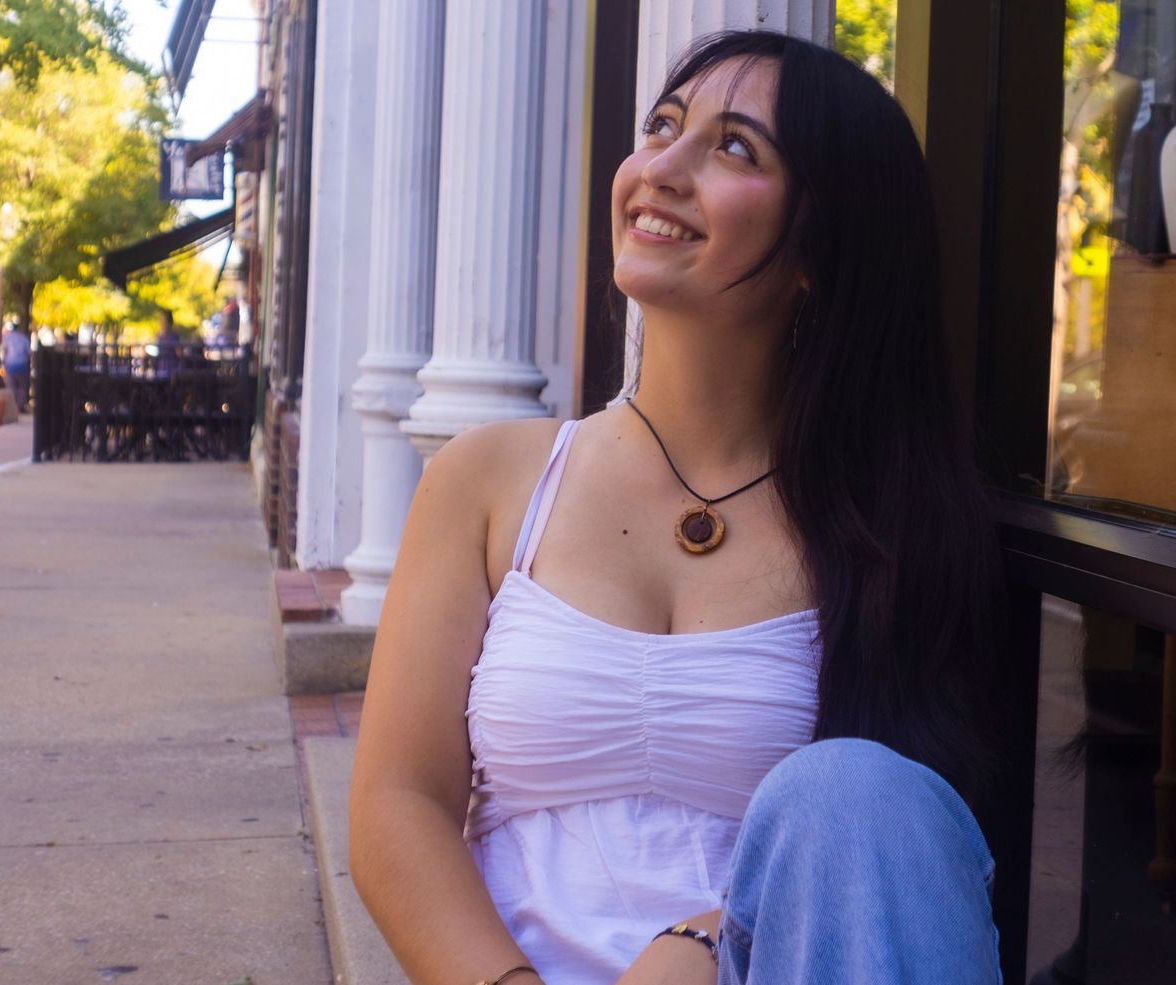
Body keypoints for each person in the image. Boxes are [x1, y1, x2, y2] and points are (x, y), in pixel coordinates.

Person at [349, 30, 1010, 985]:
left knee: (857, 790)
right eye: (663, 126)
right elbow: (398, 802)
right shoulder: (488, 481)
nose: (662, 166)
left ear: (821, 247)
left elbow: (892, 866)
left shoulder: (888, 525)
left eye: (735, 146)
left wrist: (702, 938)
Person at [1, 322, 30, 413]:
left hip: (9, 365)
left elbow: (3, 351)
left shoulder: (6, 338)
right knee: (22, 387)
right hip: (22, 365)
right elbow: (28, 353)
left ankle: (12, 407)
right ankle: (19, 407)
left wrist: (3, 363)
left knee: (10, 387)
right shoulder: (24, 338)